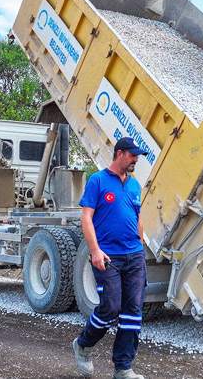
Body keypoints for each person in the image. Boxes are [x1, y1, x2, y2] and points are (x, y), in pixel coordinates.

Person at [73, 137, 147, 379]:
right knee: (110, 307)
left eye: (137, 156)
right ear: (119, 154)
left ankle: (123, 367)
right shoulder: (98, 180)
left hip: (134, 255)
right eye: (132, 155)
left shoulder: (135, 185)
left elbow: (138, 215)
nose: (136, 159)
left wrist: (141, 243)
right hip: (108, 255)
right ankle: (84, 344)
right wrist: (94, 250)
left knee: (133, 311)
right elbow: (86, 218)